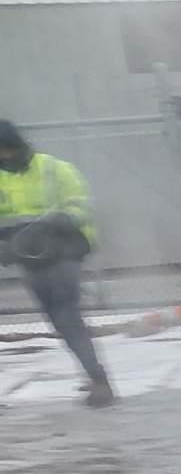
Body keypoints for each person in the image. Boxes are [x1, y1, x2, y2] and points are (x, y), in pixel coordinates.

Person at [0, 120, 112, 406]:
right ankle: (94, 377)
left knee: (66, 315)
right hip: (29, 258)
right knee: (58, 320)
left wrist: (59, 220)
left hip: (63, 251)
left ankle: (99, 382)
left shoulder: (53, 169)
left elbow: (81, 206)